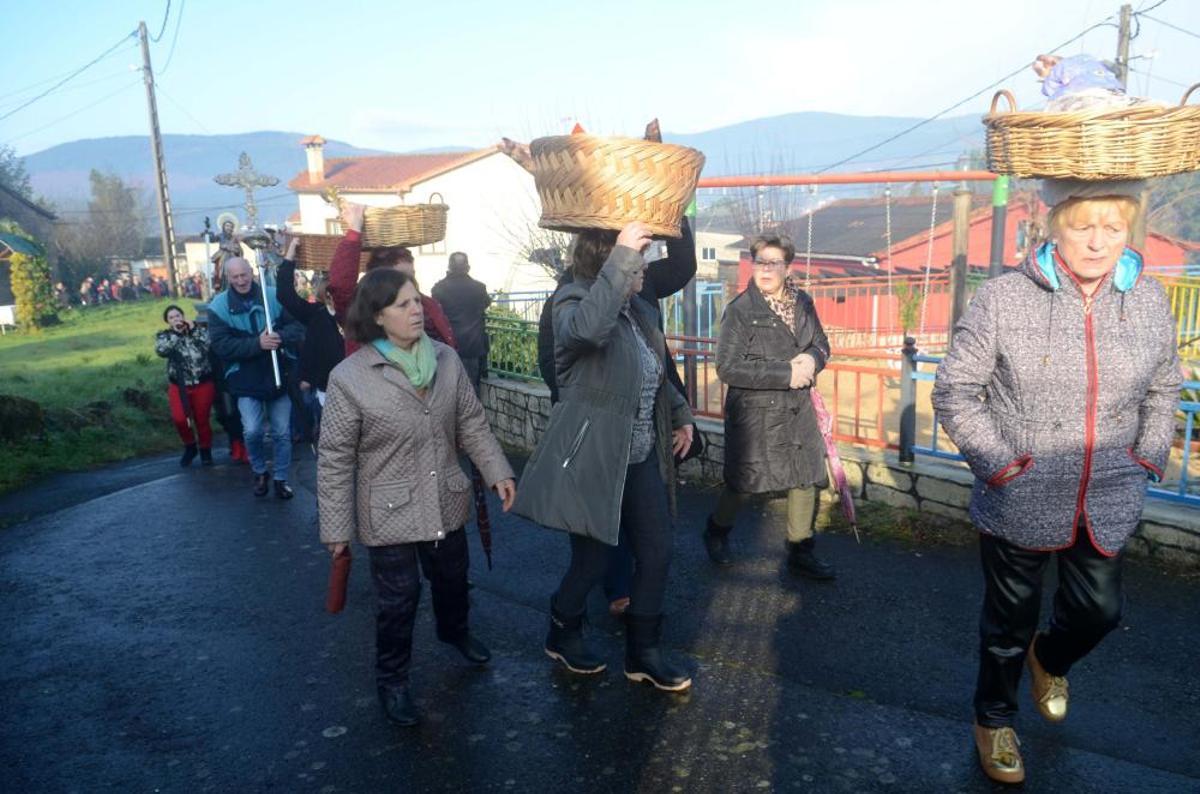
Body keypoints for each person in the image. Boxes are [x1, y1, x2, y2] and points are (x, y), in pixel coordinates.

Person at [932, 179, 1181, 786]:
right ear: (1053, 227)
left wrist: (1147, 455)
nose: (1098, 242)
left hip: (1110, 491)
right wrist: (1002, 465)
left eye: (1112, 228)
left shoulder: (1148, 298)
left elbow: (1164, 385)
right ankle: (993, 720)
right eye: (1083, 226)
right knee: (1007, 625)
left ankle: (1050, 658)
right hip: (1020, 493)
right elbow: (956, 391)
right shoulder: (1004, 299)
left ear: (1128, 232)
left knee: (1100, 612)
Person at [318, 267, 516, 727]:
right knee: (398, 601)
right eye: (403, 304)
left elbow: (471, 422)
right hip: (388, 511)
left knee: (452, 580)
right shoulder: (351, 377)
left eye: (417, 301)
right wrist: (336, 529)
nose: (416, 310)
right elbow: (334, 459)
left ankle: (454, 632)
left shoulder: (445, 359)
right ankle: (392, 682)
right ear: (378, 316)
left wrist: (497, 471)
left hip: (445, 497)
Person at [513, 221, 696, 692]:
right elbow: (587, 333)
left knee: (657, 550)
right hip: (594, 456)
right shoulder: (571, 302)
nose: (644, 268)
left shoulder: (637, 310)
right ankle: (563, 628)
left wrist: (681, 414)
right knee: (593, 561)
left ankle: (643, 653)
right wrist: (624, 256)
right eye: (638, 260)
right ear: (610, 261)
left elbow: (653, 370)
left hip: (639, 454)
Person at [705, 233, 834, 579]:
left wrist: (813, 358)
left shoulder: (802, 302)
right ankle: (716, 531)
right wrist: (786, 373)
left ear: (787, 267)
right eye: (760, 261)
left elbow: (821, 343)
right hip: (755, 412)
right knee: (744, 480)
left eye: (774, 263)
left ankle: (800, 549)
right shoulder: (740, 311)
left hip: (797, 408)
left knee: (804, 476)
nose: (765, 269)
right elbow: (727, 367)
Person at [207, 257, 304, 499]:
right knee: (252, 431)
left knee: (282, 432)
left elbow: (298, 327)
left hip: (278, 375)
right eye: (235, 277)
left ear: (252, 272)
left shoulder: (274, 296)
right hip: (245, 379)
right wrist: (257, 344)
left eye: (244, 275)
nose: (241, 281)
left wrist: (279, 337)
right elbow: (221, 346)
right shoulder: (218, 307)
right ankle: (260, 471)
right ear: (228, 278)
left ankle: (281, 478)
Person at [327, 203, 456, 356]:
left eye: (410, 277)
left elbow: (448, 347)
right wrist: (355, 230)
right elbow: (341, 286)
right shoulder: (364, 307)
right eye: (397, 280)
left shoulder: (428, 304)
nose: (416, 310)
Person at [276, 236, 344, 442]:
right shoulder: (317, 314)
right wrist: (289, 258)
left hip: (358, 389)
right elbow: (285, 295)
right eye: (330, 291)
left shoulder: (357, 314)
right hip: (327, 390)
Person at [155, 305, 216, 466]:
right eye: (171, 318)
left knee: (202, 419)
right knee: (180, 419)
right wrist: (177, 334)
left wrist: (193, 329)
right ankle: (190, 446)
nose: (176, 319)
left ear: (183, 316)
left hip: (202, 382)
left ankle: (205, 450)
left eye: (178, 316)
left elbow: (209, 344)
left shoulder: (198, 331)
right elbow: (161, 350)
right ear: (168, 322)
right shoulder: (165, 336)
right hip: (180, 385)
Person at [431, 252, 491, 391]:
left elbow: (434, 313)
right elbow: (485, 304)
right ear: (468, 267)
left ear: (449, 267)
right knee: (471, 390)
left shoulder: (439, 288)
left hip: (447, 345)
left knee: (449, 390)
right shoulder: (479, 288)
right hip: (473, 346)